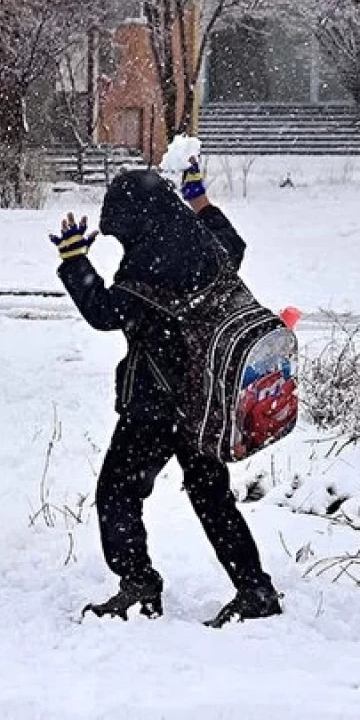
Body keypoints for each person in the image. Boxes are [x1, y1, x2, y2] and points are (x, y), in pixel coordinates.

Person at [50, 159, 283, 628]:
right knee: (212, 497)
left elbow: (104, 313)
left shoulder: (146, 270)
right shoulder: (207, 248)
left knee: (116, 493)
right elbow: (233, 242)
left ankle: (138, 587)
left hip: (155, 407)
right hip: (204, 402)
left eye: (122, 232)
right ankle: (254, 589)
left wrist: (76, 261)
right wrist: (200, 200)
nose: (122, 243)